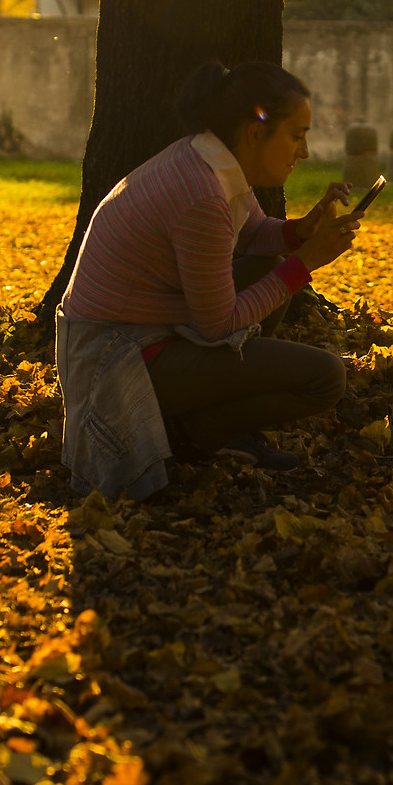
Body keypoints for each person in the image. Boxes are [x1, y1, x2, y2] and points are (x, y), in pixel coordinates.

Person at [54, 61, 359, 496]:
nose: (305, 151)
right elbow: (218, 325)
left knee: (270, 264)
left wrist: (303, 231)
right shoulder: (201, 193)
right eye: (297, 135)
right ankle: (198, 433)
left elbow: (256, 234)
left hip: (137, 335)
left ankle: (198, 420)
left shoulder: (208, 159)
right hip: (115, 361)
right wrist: (305, 263)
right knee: (326, 377)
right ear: (256, 134)